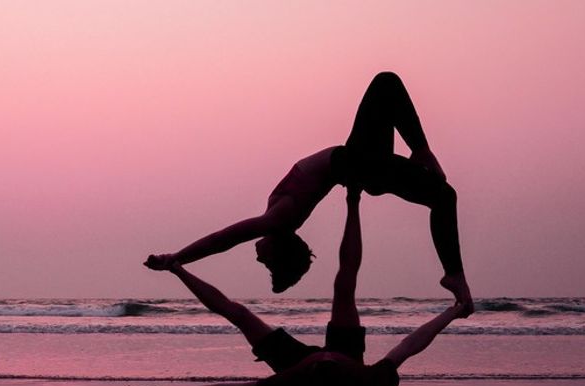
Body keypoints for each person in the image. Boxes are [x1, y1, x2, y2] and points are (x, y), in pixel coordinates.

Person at [145, 71, 472, 314]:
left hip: (364, 166)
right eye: (267, 263)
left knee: (444, 197)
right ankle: (424, 154)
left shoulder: (283, 218)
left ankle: (454, 277)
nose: (258, 256)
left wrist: (175, 259)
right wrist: (178, 258)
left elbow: (227, 239)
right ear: (278, 250)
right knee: (385, 83)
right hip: (356, 163)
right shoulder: (281, 219)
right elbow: (225, 238)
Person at [130, 188, 469, 386]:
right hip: (342, 368)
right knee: (344, 284)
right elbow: (411, 344)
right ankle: (354, 200)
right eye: (328, 363)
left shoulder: (287, 383)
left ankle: (177, 268)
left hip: (297, 370)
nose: (324, 357)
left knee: (239, 314)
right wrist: (453, 312)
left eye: (322, 363)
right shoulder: (367, 381)